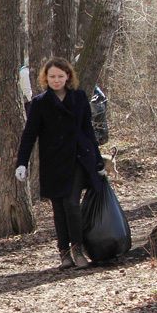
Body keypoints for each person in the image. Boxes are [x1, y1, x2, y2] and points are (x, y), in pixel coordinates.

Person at [15, 57, 107, 270]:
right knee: (58, 208)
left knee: (72, 204)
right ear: (46, 78)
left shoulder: (80, 98)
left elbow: (88, 131)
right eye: (52, 76)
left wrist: (99, 160)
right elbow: (30, 135)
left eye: (60, 76)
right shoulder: (40, 103)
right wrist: (22, 163)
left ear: (68, 77)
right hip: (53, 161)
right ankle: (64, 252)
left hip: (76, 158)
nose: (56, 80)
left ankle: (78, 248)